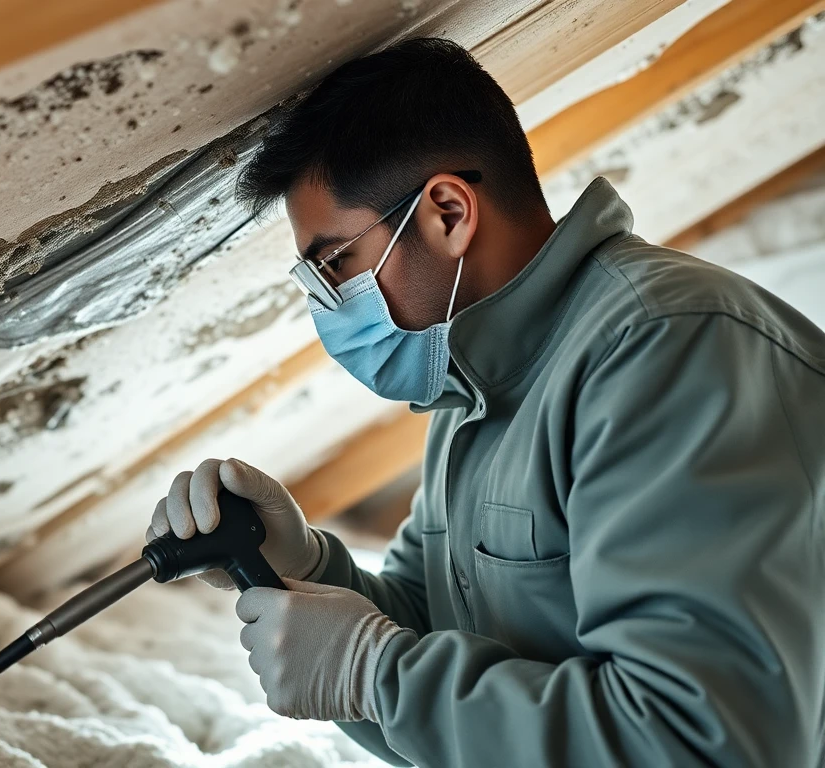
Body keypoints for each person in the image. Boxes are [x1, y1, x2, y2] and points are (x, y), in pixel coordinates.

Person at [147, 38, 825, 766]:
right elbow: (440, 637)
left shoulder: (669, 352)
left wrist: (376, 675)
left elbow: (705, 745)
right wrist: (305, 570)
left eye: (336, 263)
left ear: (446, 212)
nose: (330, 308)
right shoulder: (477, 389)